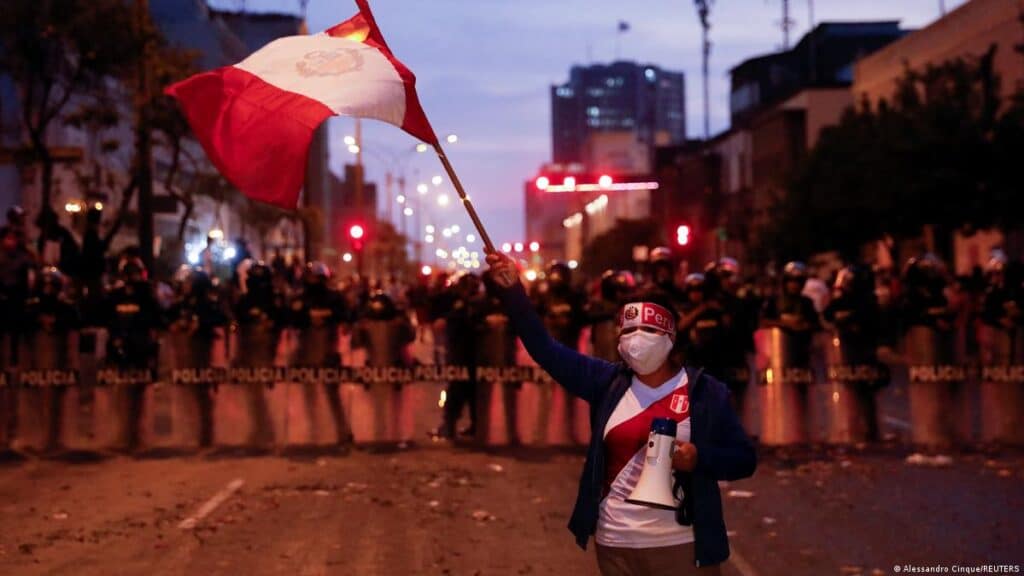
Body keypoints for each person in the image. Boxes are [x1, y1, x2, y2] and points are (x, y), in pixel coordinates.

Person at [486, 252, 756, 575]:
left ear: (670, 337)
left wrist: (699, 458)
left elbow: (744, 459)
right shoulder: (607, 382)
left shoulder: (704, 393)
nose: (636, 338)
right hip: (615, 546)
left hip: (680, 546)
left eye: (648, 329)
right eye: (629, 330)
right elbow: (545, 349)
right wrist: (513, 292)